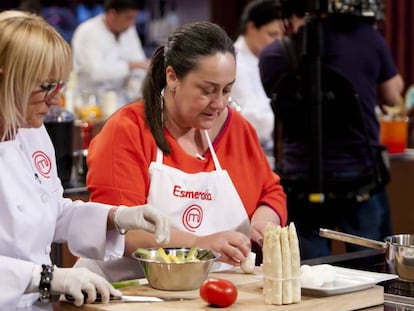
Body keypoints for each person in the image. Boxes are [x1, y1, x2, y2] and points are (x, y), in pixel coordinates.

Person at [76, 21, 287, 281]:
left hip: (211, 292)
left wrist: (264, 221)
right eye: (207, 91)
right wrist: (200, 244)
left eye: (227, 90)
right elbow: (121, 230)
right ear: (172, 76)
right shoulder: (127, 130)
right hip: (125, 290)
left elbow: (270, 192)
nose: (219, 103)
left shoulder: (239, 130)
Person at [0, 10, 170, 308]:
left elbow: (50, 211)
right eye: (45, 87)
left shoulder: (33, 134)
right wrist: (46, 277)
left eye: (59, 86)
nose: (55, 101)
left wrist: (114, 217)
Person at [259, 1, 404, 259]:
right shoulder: (369, 40)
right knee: (372, 273)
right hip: (358, 179)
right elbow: (393, 97)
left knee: (311, 277)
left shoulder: (273, 55)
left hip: (299, 181)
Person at [231, 0, 287, 153]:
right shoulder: (234, 61)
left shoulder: (262, 60)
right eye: (272, 34)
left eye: (282, 35)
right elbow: (250, 117)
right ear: (251, 28)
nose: (279, 42)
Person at [71, 0, 149, 109]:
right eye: (128, 18)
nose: (132, 23)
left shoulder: (129, 30)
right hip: (90, 104)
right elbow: (95, 72)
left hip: (122, 102)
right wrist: (131, 66)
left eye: (134, 18)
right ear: (112, 14)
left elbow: (141, 65)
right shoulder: (87, 31)